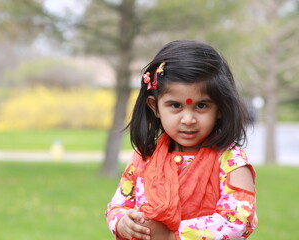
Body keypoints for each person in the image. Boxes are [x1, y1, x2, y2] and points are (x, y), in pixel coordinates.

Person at [105, 40, 257, 240]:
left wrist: (172, 235)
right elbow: (118, 204)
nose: (188, 119)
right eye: (175, 106)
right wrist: (123, 221)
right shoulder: (144, 157)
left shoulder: (231, 161)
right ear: (154, 107)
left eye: (201, 106)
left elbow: (238, 221)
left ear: (220, 108)